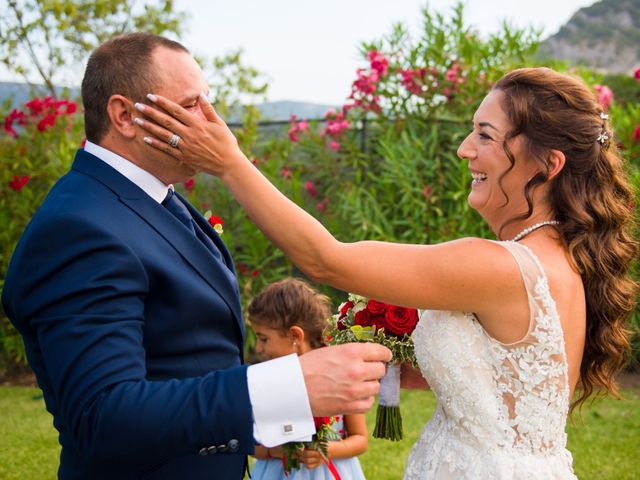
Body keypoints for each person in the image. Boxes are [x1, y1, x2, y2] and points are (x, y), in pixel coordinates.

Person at [133, 66, 638, 478]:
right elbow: (502, 391)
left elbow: (325, 258)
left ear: (546, 165)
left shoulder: (501, 265)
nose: (465, 148)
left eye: (485, 135)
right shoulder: (564, 262)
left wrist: (228, 163)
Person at [1, 33, 391, 480]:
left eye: (208, 103)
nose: (211, 122)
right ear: (125, 115)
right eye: (190, 105)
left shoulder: (155, 198)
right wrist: (285, 384)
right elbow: (103, 418)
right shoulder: (78, 228)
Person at [247, 278, 368, 480]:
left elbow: (360, 439)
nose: (258, 348)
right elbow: (251, 445)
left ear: (295, 335)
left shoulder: (340, 378)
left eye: (264, 339)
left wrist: (326, 449)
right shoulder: (266, 380)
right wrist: (274, 451)